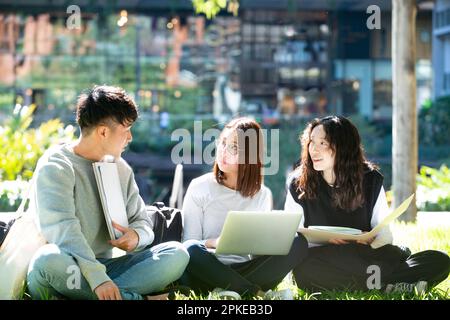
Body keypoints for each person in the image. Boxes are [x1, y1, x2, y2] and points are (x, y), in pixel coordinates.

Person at [27, 85, 189, 300]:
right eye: (126, 129)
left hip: (108, 269)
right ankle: (137, 298)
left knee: (177, 254)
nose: (130, 138)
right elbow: (64, 230)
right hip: (67, 266)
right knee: (46, 260)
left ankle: (87, 296)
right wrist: (96, 278)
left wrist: (136, 236)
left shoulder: (120, 169)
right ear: (103, 131)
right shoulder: (57, 165)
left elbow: (142, 220)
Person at [285, 115, 450, 293]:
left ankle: (379, 284)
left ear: (343, 146)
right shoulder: (298, 183)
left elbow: (384, 233)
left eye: (322, 143)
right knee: (304, 271)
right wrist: (327, 239)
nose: (313, 150)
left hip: (366, 257)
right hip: (324, 258)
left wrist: (368, 244)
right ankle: (387, 285)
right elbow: (293, 239)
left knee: (439, 260)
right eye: (311, 142)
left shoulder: (370, 179)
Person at [180, 117, 308, 297]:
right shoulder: (199, 187)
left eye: (233, 147)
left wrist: (268, 243)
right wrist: (215, 242)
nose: (223, 151)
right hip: (206, 269)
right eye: (223, 143)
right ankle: (258, 293)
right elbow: (187, 245)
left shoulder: (262, 194)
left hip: (247, 268)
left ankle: (230, 289)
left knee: (299, 242)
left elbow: (257, 254)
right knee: (191, 249)